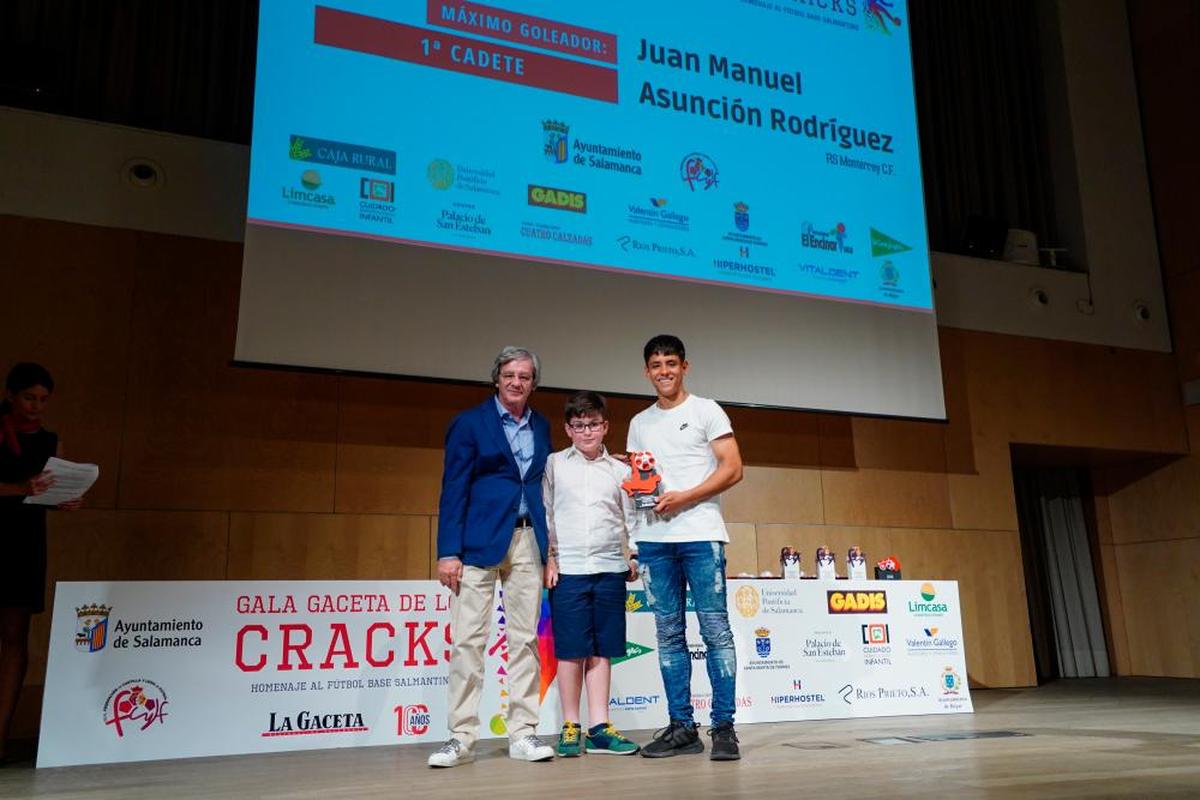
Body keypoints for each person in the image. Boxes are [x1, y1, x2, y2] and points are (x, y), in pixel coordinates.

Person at [429, 346, 556, 767]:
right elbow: (453, 490)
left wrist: (549, 548)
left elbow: (542, 489)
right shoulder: (468, 423)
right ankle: (460, 737)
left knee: (524, 642)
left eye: (524, 376)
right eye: (509, 375)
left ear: (533, 383)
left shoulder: (542, 426)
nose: (516, 382)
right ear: (496, 380)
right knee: (468, 641)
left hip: (527, 542)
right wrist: (448, 551)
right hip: (477, 545)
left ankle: (523, 733)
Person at [627, 335, 744, 761]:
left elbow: (734, 469)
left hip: (700, 535)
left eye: (671, 363)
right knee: (669, 635)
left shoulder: (706, 410)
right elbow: (642, 483)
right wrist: (637, 523)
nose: (664, 371)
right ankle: (682, 728)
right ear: (647, 371)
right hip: (654, 542)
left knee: (716, 632)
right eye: (656, 364)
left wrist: (685, 498)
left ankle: (725, 727)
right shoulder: (639, 422)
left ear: (685, 366)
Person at [542, 391, 640, 757]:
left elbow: (631, 517)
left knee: (602, 650)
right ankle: (571, 725)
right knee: (571, 651)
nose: (587, 431)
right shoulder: (553, 465)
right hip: (567, 570)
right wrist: (548, 558)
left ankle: (600, 727)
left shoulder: (620, 470)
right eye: (579, 425)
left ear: (605, 427)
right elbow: (546, 514)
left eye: (593, 424)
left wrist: (633, 555)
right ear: (568, 429)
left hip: (610, 569)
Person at [0, 363, 83, 763]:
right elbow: (20, 486)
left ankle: (1, 731)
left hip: (25, 542)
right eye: (29, 397)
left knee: (15, 637)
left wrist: (67, 498)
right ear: (11, 394)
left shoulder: (50, 440)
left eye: (43, 400)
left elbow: (52, 484)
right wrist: (19, 487)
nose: (36, 406)